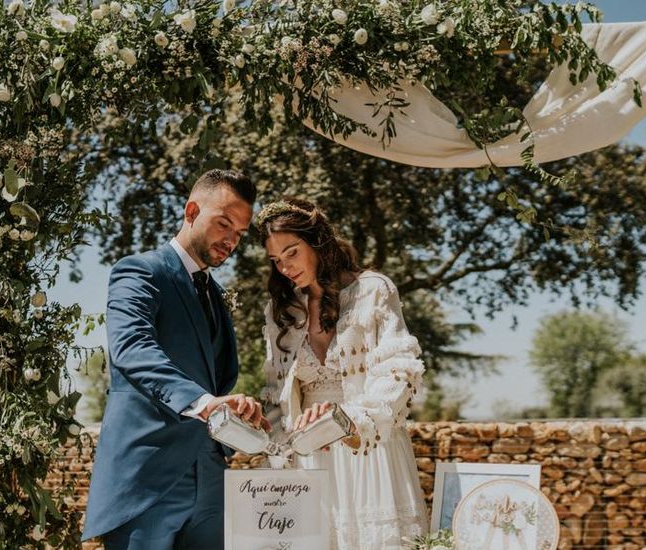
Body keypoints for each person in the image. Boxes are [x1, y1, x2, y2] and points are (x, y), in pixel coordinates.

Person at [82, 169, 270, 550]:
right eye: (223, 224)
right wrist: (202, 403)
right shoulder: (140, 272)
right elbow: (131, 346)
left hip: (210, 476)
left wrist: (235, 409)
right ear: (191, 210)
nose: (231, 240)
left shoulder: (214, 293)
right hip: (149, 478)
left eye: (239, 233)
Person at [257, 197, 430, 549]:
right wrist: (272, 457)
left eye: (292, 252)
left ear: (317, 241)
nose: (285, 268)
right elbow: (276, 393)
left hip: (369, 447)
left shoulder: (374, 290)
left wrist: (350, 420)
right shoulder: (281, 312)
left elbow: (400, 370)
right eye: (276, 261)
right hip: (309, 458)